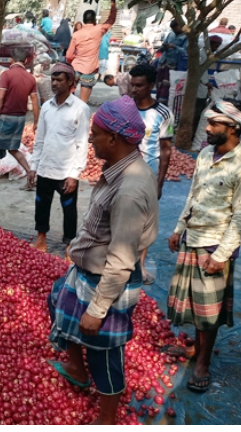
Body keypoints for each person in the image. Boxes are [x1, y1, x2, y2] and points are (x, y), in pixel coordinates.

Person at [47, 95, 158, 425]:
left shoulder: (129, 190)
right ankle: (76, 368)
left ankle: (107, 418)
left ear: (113, 138)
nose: (90, 140)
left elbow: (122, 259)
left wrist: (97, 310)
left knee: (103, 350)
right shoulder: (120, 167)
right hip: (89, 268)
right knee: (57, 298)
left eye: (94, 134)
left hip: (107, 278)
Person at [165, 100, 241, 394]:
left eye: (214, 123)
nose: (206, 128)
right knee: (196, 305)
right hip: (192, 237)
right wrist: (179, 228)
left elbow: (240, 217)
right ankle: (196, 350)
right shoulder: (206, 154)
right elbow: (193, 195)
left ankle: (203, 364)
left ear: (234, 128)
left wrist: (220, 256)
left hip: (215, 245)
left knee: (208, 312)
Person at [27, 62, 90, 250]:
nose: (54, 83)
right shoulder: (47, 107)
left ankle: (69, 245)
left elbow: (82, 144)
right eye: (53, 79)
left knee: (69, 209)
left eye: (59, 80)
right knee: (41, 206)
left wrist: (74, 174)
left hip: (66, 171)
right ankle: (41, 239)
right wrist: (33, 166)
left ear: (70, 81)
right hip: (46, 167)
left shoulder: (80, 109)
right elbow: (40, 140)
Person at [128, 64, 173, 284]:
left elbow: (166, 150)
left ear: (151, 85)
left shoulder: (163, 114)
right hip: (124, 173)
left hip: (148, 175)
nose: (134, 89)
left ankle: (141, 265)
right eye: (132, 84)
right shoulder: (125, 107)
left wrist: (160, 183)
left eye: (139, 85)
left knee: (145, 222)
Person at [0, 48, 40, 192]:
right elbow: (35, 102)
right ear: (26, 61)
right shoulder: (30, 78)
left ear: (11, 60)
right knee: (13, 149)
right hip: (21, 118)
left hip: (7, 117)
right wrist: (36, 121)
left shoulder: (7, 75)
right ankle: (31, 175)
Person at [66, 0, 117, 103]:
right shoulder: (98, 30)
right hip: (89, 69)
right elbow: (111, 20)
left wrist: (72, 62)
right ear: (94, 20)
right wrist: (113, 3)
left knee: (68, 99)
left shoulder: (76, 34)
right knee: (83, 103)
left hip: (75, 68)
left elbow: (69, 56)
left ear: (84, 20)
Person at [157, 19, 188, 104]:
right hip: (163, 62)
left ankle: (166, 103)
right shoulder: (170, 34)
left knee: (169, 86)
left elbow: (185, 51)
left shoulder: (186, 37)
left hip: (174, 65)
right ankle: (158, 101)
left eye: (175, 28)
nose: (174, 30)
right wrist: (163, 47)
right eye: (172, 28)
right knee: (159, 83)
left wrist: (174, 46)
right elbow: (163, 45)